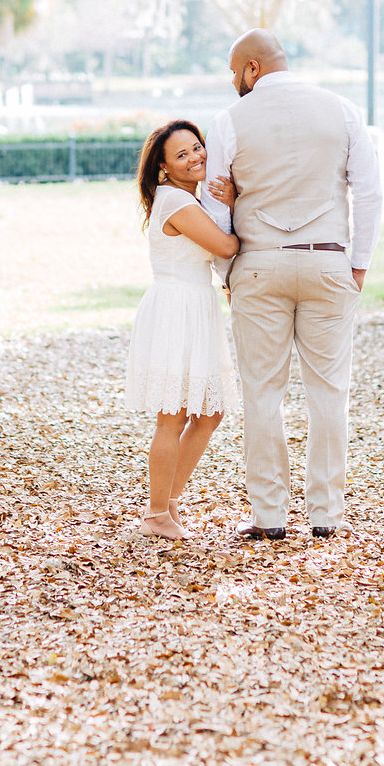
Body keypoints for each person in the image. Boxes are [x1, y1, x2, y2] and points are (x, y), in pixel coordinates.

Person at [202, 30, 383, 541]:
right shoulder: (342, 110)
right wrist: (359, 265)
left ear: (253, 68)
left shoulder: (229, 121)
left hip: (259, 265)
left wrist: (227, 276)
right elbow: (368, 192)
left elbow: (217, 205)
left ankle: (269, 516)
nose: (233, 80)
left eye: (234, 70)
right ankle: (326, 514)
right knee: (330, 393)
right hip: (328, 262)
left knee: (263, 392)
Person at [125, 120, 241, 541]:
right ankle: (156, 512)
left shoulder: (187, 197)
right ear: (163, 168)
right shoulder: (176, 201)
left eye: (197, 148)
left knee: (210, 412)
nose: (195, 158)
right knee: (172, 417)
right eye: (182, 155)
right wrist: (234, 202)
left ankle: (169, 503)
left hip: (196, 305)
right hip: (177, 309)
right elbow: (227, 247)